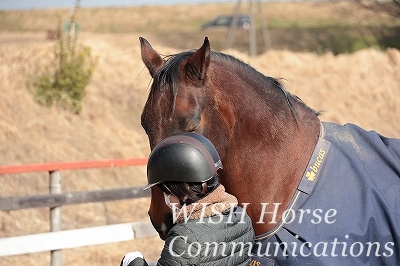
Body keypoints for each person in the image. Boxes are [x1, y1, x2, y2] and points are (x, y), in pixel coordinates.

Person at [120, 132, 254, 266]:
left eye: (167, 192)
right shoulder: (242, 217)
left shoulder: (185, 238)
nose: (167, 199)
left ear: (184, 189)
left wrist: (133, 262)